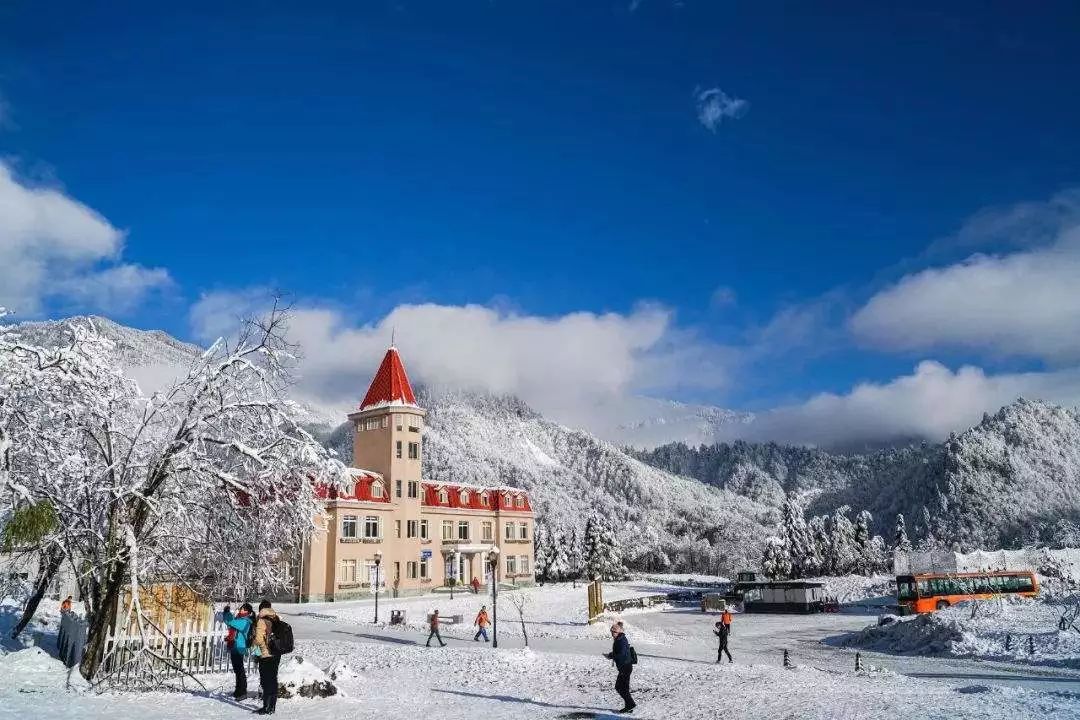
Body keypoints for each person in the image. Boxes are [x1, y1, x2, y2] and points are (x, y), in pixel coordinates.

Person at [252, 600, 281, 715]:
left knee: (265, 680)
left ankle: (266, 707)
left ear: (261, 609)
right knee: (273, 679)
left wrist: (253, 642)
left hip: (265, 654)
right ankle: (272, 707)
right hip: (276, 653)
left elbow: (258, 639)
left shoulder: (261, 620)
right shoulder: (277, 617)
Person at [222, 603, 254, 699]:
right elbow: (228, 622)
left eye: (243, 609)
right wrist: (226, 612)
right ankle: (238, 690)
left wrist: (227, 613)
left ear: (248, 611)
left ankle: (242, 692)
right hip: (234, 646)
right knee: (237, 670)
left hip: (240, 647)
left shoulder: (245, 621)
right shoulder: (239, 619)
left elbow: (231, 622)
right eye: (241, 608)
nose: (241, 610)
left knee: (240, 670)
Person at [603, 621, 635, 714]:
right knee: (624, 688)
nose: (612, 634)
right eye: (611, 631)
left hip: (625, 667)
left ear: (619, 632)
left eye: (614, 632)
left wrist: (611, 656)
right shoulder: (620, 638)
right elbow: (619, 652)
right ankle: (629, 706)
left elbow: (621, 654)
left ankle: (630, 704)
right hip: (625, 667)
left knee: (619, 687)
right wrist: (611, 655)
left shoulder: (621, 640)